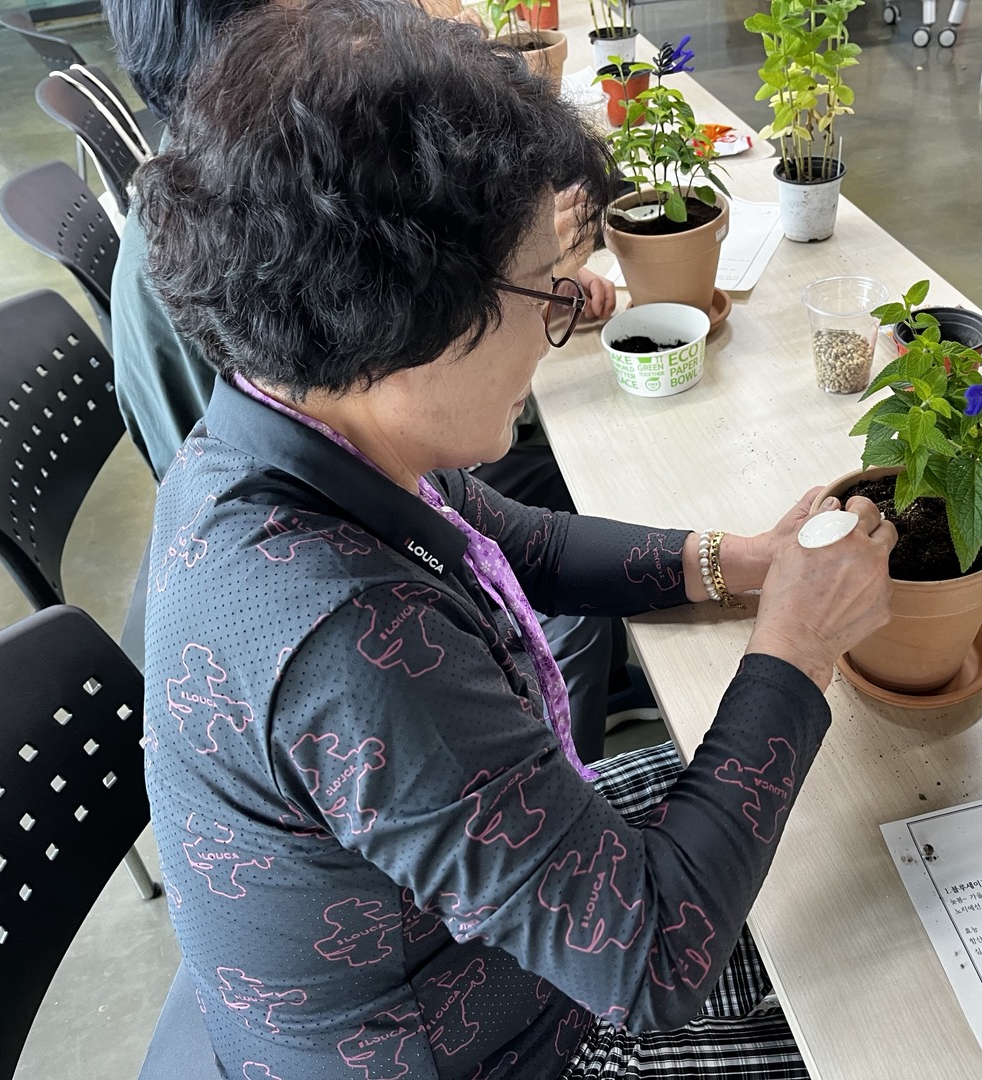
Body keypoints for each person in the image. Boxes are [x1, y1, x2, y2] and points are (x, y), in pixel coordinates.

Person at [139, 2, 898, 1077]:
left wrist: (738, 562)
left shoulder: (284, 423)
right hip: (485, 1049)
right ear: (407, 313)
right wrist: (796, 649)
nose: (562, 316)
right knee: (894, 996)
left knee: (832, 826)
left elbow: (515, 542)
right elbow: (655, 960)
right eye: (545, 289)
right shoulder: (347, 645)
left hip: (447, 958)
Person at [105, 0, 636, 762]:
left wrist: (518, 265)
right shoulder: (354, 633)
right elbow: (636, 889)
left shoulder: (255, 215)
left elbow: (489, 525)